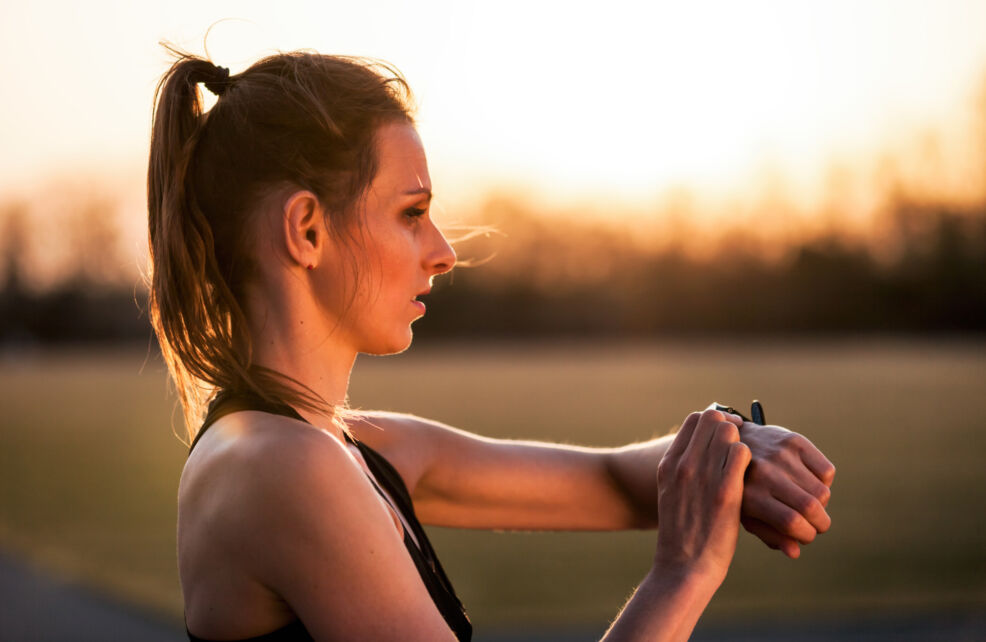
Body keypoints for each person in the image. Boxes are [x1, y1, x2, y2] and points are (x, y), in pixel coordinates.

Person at [147, 47, 836, 642]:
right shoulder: (281, 468)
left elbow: (609, 481)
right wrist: (683, 575)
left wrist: (735, 443)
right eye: (411, 214)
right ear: (306, 231)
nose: (443, 252)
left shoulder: (356, 449)